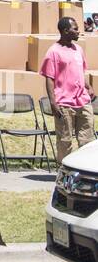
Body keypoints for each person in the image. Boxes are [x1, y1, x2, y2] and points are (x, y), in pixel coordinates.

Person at [41, 17, 95, 163]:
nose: (79, 32)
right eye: (75, 29)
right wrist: (53, 102)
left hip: (82, 101)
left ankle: (85, 170)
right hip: (64, 103)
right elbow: (49, 78)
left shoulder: (79, 50)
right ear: (65, 31)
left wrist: (89, 87)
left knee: (88, 139)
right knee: (65, 141)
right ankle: (64, 172)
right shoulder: (53, 52)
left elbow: (80, 71)